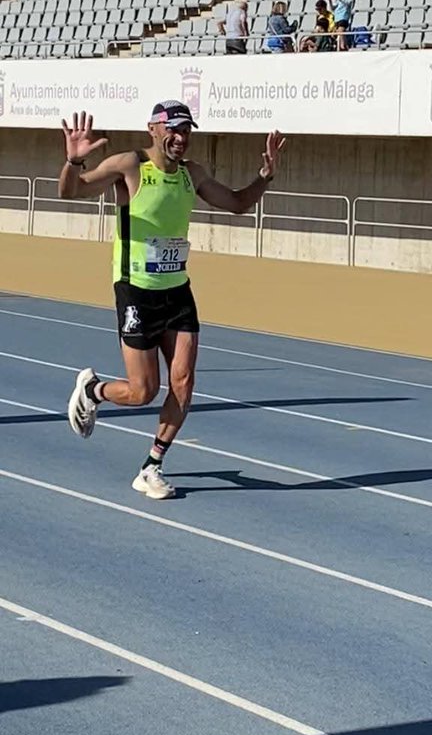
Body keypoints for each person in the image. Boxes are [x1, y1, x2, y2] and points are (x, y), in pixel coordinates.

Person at [59, 104, 286, 499]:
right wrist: (72, 162)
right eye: (174, 129)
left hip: (177, 290)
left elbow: (236, 203)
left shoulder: (191, 174)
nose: (181, 137)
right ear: (153, 129)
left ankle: (151, 466)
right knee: (142, 391)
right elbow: (70, 191)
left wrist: (265, 176)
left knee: (182, 381)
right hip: (136, 291)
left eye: (187, 130)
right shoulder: (130, 165)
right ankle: (94, 389)